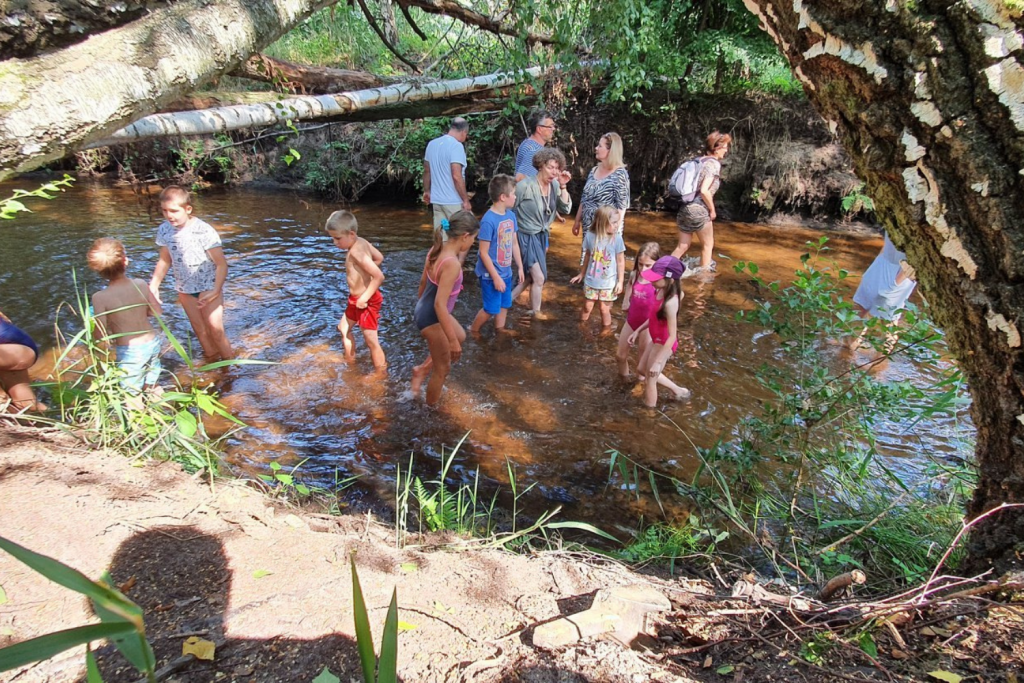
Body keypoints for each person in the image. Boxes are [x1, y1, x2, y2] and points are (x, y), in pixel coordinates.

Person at [149, 185, 234, 362]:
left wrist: (216, 290)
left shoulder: (203, 230)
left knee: (215, 329)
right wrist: (154, 286)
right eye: (164, 211)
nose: (169, 215)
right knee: (199, 329)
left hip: (208, 286)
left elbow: (221, 265)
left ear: (187, 209)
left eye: (174, 211)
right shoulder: (165, 229)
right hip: (185, 287)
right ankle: (211, 360)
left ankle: (230, 365)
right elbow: (165, 260)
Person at [410, 212, 480, 405]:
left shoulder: (436, 249)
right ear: (465, 236)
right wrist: (450, 342)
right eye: (473, 238)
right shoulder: (452, 264)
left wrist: (420, 309)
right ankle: (430, 410)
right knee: (442, 369)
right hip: (433, 316)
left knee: (461, 336)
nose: (473, 243)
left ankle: (422, 369)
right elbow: (440, 304)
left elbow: (423, 283)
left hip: (424, 309)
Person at [87, 238, 164, 394]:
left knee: (131, 394)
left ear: (98, 270)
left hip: (130, 351)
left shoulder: (100, 297)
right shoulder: (140, 284)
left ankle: (137, 417)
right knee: (153, 385)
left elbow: (100, 333)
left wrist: (97, 349)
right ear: (125, 261)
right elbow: (156, 311)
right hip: (152, 343)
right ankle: (167, 415)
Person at [510, 148, 572, 318]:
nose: (554, 172)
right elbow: (509, 210)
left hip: (542, 237)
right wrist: (508, 237)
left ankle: (506, 302)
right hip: (525, 236)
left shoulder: (555, 185)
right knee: (538, 277)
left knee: (531, 277)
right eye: (551, 167)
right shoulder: (524, 186)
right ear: (540, 166)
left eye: (557, 168)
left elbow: (565, 208)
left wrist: (564, 185)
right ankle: (536, 312)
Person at [325, 210, 387, 370]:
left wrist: (364, 298)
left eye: (338, 238)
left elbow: (379, 277)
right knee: (343, 328)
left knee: (371, 339)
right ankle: (350, 360)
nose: (335, 242)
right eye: (332, 238)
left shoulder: (356, 252)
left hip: (366, 300)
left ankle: (381, 372)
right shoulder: (362, 241)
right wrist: (366, 270)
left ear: (351, 234)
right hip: (357, 299)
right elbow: (379, 258)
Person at [629, 256, 690, 407]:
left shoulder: (670, 303)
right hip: (656, 338)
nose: (652, 281)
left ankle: (649, 414)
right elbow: (654, 317)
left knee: (651, 379)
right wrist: (637, 330)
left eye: (656, 278)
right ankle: (679, 391)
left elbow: (672, 336)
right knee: (642, 369)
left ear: (669, 279)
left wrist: (657, 362)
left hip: (664, 343)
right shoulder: (660, 291)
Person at [470, 175, 524, 335]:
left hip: (505, 271)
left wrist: (520, 267)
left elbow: (514, 243)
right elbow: (483, 253)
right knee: (490, 308)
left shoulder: (511, 216)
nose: (515, 196)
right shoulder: (488, 220)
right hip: (490, 274)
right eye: (513, 193)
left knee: (504, 303)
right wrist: (495, 277)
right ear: (503, 197)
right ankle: (473, 330)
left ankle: (500, 329)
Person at [671, 130, 732, 271]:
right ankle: (702, 284)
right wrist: (712, 209)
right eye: (725, 147)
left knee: (682, 246)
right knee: (707, 245)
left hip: (684, 207)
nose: (726, 150)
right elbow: (704, 190)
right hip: (699, 209)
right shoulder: (713, 164)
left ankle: (660, 272)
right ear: (716, 148)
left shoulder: (699, 161)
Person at [848, 232, 918, 354]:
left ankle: (878, 365)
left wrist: (898, 281)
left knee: (888, 323)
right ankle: (848, 348)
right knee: (859, 307)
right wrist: (878, 260)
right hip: (882, 261)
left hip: (902, 271)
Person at [570, 206, 625, 331]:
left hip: (608, 283)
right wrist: (581, 274)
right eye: (614, 222)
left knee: (604, 309)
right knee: (587, 307)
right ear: (603, 222)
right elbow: (588, 255)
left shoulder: (617, 239)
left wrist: (620, 282)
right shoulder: (590, 236)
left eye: (618, 222)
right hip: (591, 281)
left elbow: (620, 261)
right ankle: (582, 329)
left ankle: (605, 334)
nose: (617, 225)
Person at [572, 132, 630, 243]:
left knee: (601, 259)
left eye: (600, 146)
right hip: (588, 229)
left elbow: (621, 207)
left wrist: (614, 230)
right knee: (587, 259)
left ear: (610, 150)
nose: (596, 148)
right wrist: (577, 221)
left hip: (606, 231)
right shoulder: (594, 170)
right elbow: (584, 198)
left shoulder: (620, 175)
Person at [616, 242, 662, 380]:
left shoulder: (658, 282)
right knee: (620, 355)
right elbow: (630, 284)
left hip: (648, 324)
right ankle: (624, 380)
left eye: (648, 265)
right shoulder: (635, 274)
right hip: (632, 320)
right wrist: (626, 299)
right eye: (641, 264)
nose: (643, 269)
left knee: (642, 359)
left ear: (657, 263)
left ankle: (638, 384)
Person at [423, 117, 472, 230]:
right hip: (453, 202)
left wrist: (427, 191)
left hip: (437, 201)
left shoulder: (432, 144)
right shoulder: (456, 146)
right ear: (464, 131)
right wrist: (465, 200)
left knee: (441, 238)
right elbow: (456, 175)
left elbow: (427, 171)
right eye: (466, 135)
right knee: (458, 238)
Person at [0, 310, 45, 413]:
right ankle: (61, 421)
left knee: (5, 403)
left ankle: (2, 401)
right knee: (26, 401)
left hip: (8, 348)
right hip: (18, 346)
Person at [514, 109, 556, 182]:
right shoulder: (533, 150)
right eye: (550, 126)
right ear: (539, 129)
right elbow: (520, 178)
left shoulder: (529, 144)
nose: (553, 129)